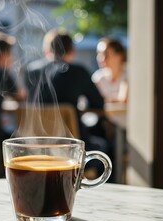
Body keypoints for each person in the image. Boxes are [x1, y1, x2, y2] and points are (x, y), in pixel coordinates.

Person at [24, 29, 113, 181]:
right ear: (72, 51)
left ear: (47, 50)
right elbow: (98, 103)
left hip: (36, 146)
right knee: (104, 146)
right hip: (71, 147)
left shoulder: (31, 70)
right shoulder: (78, 72)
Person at [92, 37, 128, 103]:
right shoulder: (98, 77)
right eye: (99, 54)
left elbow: (124, 99)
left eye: (106, 54)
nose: (101, 58)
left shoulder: (129, 75)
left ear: (119, 56)